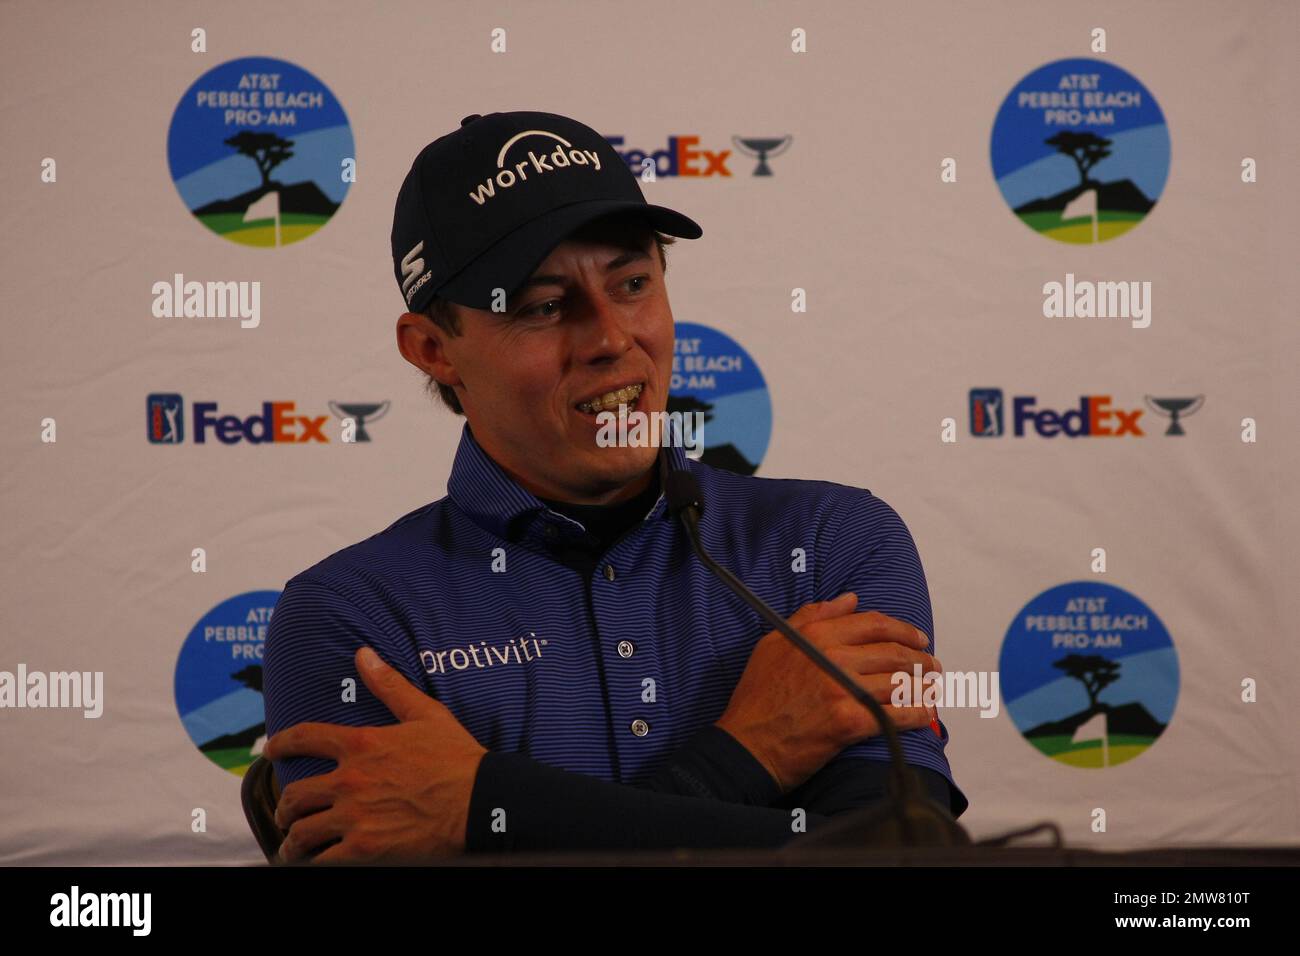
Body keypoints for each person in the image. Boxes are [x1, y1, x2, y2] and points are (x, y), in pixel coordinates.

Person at [262, 110, 967, 863]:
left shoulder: (832, 542)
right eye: (543, 306)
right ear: (434, 349)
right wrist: (752, 751)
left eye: (632, 282)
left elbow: (902, 857)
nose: (609, 338)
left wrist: (489, 807)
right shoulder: (348, 618)